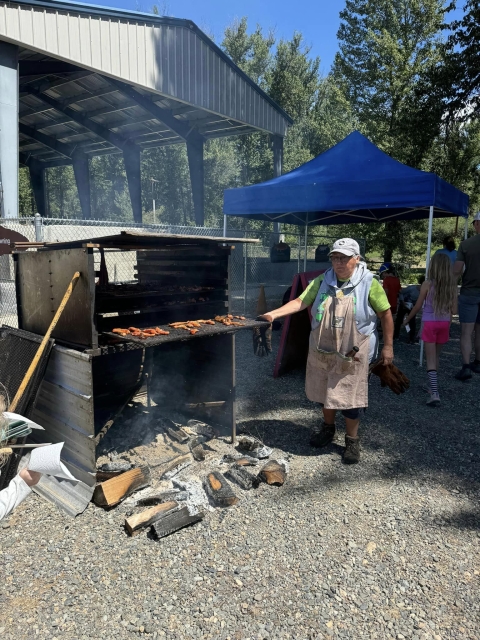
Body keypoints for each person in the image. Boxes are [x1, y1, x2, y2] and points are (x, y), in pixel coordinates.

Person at [259, 238, 394, 465]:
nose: (338, 263)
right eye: (335, 257)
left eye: (344, 258)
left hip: (354, 351)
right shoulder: (323, 280)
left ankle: (352, 440)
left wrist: (388, 347)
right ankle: (328, 429)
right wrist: (272, 314)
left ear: (357, 259)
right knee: (324, 393)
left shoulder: (369, 283)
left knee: (351, 398)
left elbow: (386, 314)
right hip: (324, 348)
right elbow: (301, 302)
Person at [403, 254, 457, 406]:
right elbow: (454, 310)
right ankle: (431, 386)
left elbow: (418, 306)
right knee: (437, 357)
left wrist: (407, 319)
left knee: (430, 360)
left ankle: (434, 393)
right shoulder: (451, 286)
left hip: (429, 323)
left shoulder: (427, 284)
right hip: (444, 323)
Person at [453, 212, 480, 380]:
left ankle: (466, 366)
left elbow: (457, 270)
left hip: (469, 293)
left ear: (477, 224)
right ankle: (478, 361)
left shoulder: (466, 245)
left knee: (466, 332)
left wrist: (451, 291)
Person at [393, 276, 425, 344]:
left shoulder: (424, 292)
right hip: (403, 305)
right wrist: (402, 301)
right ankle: (395, 336)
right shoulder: (412, 288)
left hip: (412, 307)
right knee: (399, 320)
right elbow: (401, 292)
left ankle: (411, 338)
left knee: (412, 322)